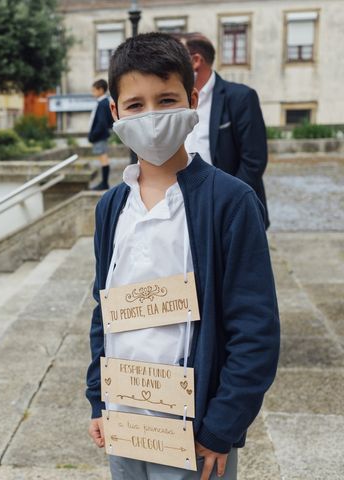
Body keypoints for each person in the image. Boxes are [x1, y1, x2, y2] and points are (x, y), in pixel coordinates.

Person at [85, 33, 280, 480]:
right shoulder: (111, 207)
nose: (151, 116)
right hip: (125, 420)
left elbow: (255, 327)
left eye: (167, 99)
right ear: (115, 112)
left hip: (195, 432)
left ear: (193, 100)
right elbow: (105, 308)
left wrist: (221, 427)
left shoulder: (230, 202)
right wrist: (99, 397)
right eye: (135, 105)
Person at [179, 32, 270, 229]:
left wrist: (227, 203)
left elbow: (254, 161)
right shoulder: (174, 101)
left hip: (230, 210)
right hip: (182, 209)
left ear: (196, 61)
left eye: (176, 56)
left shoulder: (240, 97)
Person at [88, 79, 115, 190]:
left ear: (101, 90)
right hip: (101, 135)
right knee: (103, 158)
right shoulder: (103, 102)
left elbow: (102, 123)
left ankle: (104, 183)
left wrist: (93, 135)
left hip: (100, 136)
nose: (92, 93)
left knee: (103, 158)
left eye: (94, 90)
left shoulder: (103, 103)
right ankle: (104, 182)